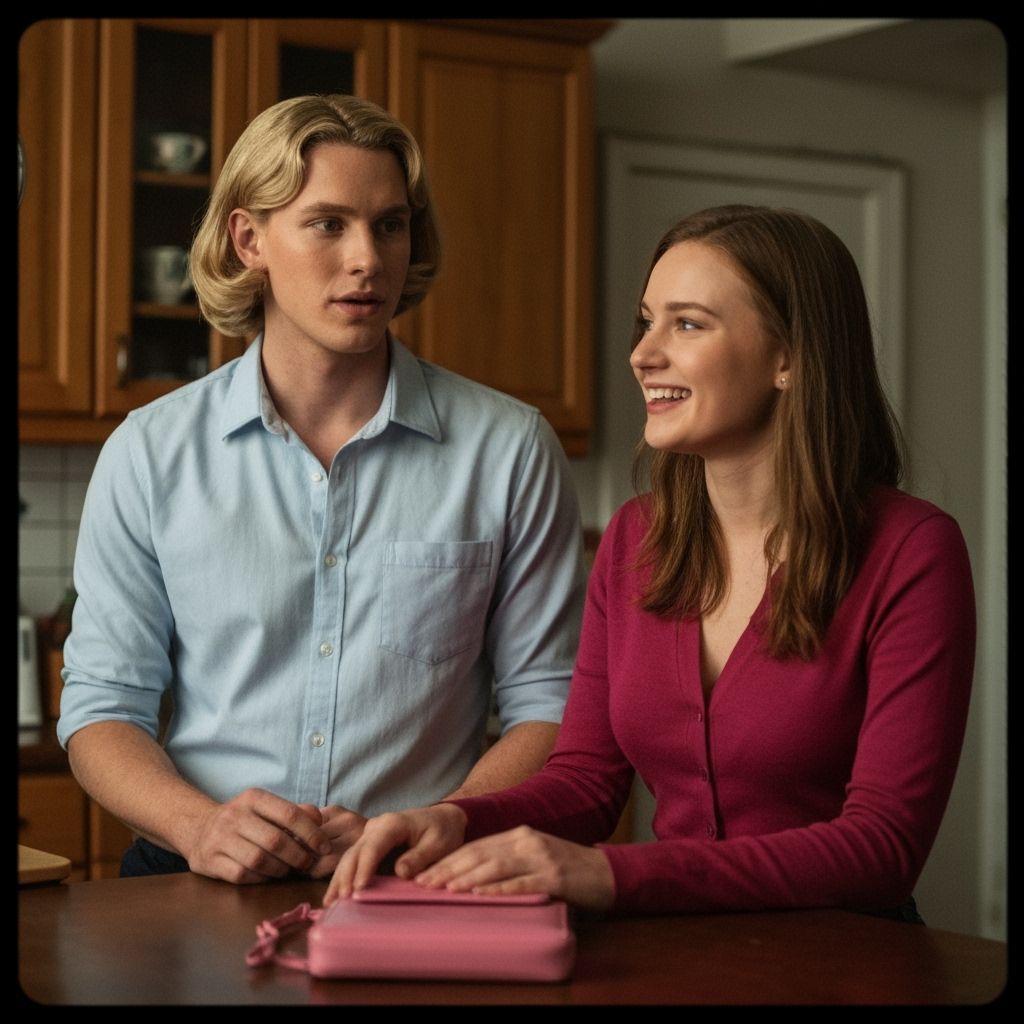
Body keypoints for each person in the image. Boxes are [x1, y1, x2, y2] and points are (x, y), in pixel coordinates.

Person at [325, 205, 976, 923]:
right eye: (647, 320)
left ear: (790, 358)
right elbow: (586, 781)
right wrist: (452, 819)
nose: (643, 353)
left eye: (688, 324)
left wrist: (610, 875)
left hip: (845, 967)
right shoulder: (636, 539)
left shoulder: (913, 551)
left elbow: (882, 849)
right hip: (675, 958)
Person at [57, 94, 586, 884]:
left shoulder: (509, 450)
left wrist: (437, 823)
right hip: (190, 876)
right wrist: (200, 827)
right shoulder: (149, 452)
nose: (368, 258)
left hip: (418, 881)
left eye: (391, 224)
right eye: (328, 223)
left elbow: (551, 703)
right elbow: (102, 706)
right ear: (249, 239)